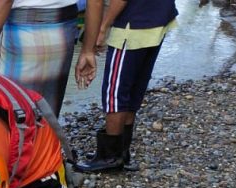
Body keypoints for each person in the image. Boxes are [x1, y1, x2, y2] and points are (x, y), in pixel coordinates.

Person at [75, 0, 177, 173]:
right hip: (159, 20)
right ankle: (122, 152)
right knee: (133, 89)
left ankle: (110, 157)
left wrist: (102, 28)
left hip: (131, 27)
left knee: (115, 92)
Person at [0, 0, 102, 116]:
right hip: (63, 32)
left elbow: (2, 2)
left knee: (12, 113)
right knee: (47, 112)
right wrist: (87, 50)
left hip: (24, 34)